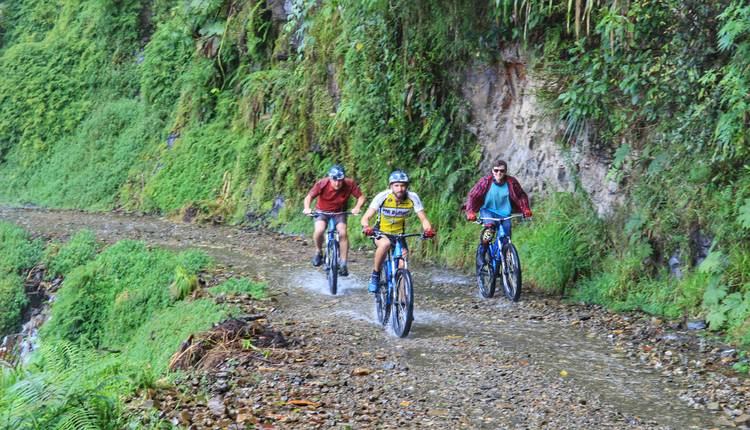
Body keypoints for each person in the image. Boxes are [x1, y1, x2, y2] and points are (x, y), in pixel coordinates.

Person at [360, 170, 435, 293]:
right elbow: (366, 217)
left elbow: (423, 218)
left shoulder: (412, 197)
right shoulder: (383, 196)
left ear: (407, 186)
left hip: (399, 236)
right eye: (397, 185)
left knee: (403, 264)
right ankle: (375, 275)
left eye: (403, 185)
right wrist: (366, 227)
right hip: (381, 232)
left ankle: (403, 302)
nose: (400, 189)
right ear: (391, 186)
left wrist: (428, 230)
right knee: (385, 244)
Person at [303, 164, 366, 276]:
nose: (337, 183)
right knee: (319, 230)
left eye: (340, 180)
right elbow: (309, 197)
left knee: (343, 232)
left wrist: (357, 207)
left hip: (339, 212)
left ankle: (343, 263)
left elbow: (361, 197)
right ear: (330, 178)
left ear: (343, 179)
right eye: (334, 180)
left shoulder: (349, 184)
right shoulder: (322, 183)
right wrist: (307, 208)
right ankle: (318, 251)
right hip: (322, 211)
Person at [464, 159, 532, 254]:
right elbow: (473, 196)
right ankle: (482, 253)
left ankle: (503, 259)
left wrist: (525, 209)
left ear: (505, 172)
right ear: (492, 171)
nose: (498, 173)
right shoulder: (486, 181)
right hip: (487, 211)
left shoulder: (512, 182)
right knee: (490, 230)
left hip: (505, 214)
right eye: (496, 170)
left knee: (506, 238)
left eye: (502, 171)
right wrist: (470, 212)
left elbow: (521, 195)